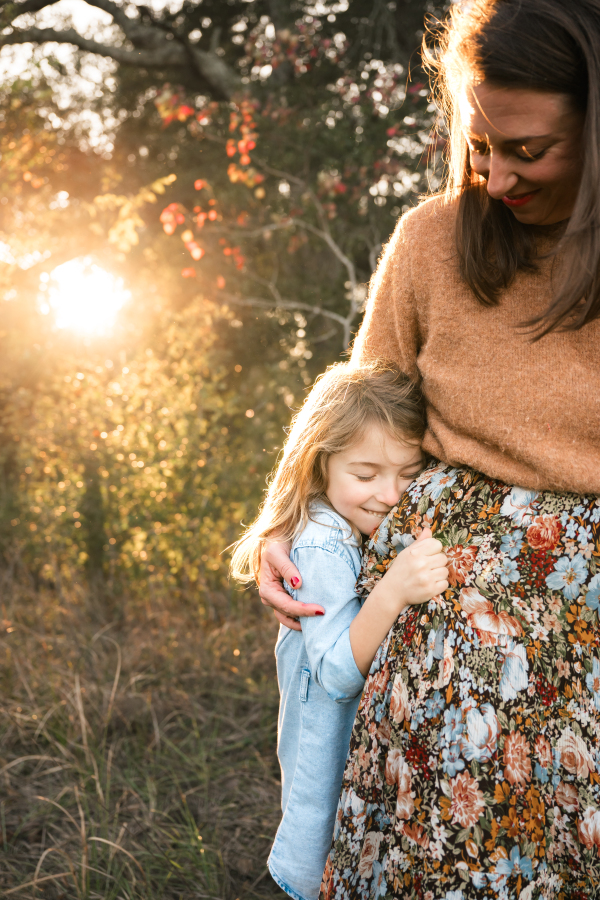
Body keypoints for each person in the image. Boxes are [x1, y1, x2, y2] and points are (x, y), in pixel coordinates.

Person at [258, 0, 600, 896]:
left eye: (529, 150)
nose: (497, 177)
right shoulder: (431, 243)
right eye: (481, 147)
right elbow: (348, 412)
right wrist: (280, 523)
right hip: (431, 663)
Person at [230, 360, 449, 900]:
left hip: (363, 754)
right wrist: (393, 589)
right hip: (327, 757)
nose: (392, 494)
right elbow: (334, 672)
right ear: (321, 463)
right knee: (325, 860)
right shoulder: (321, 545)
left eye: (409, 473)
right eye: (366, 473)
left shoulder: (354, 524)